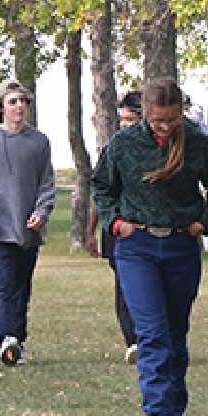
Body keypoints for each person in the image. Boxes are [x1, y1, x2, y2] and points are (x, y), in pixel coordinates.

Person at [90, 78, 208, 416]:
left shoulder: (196, 142)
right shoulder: (124, 144)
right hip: (136, 247)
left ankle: (175, 412)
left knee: (175, 334)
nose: (165, 128)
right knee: (151, 333)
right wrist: (115, 223)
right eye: (158, 121)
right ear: (145, 115)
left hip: (181, 247)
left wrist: (205, 223)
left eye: (171, 120)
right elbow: (101, 186)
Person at [0, 81, 56, 365]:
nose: (19, 107)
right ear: (1, 106)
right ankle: (7, 339)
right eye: (13, 101)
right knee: (4, 285)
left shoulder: (39, 142)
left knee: (22, 287)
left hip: (28, 230)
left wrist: (41, 212)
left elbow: (46, 184)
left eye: (23, 102)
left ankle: (18, 339)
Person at [86, 91, 142, 360]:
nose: (124, 125)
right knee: (124, 283)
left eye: (130, 120)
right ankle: (133, 339)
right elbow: (101, 192)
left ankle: (149, 335)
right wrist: (91, 230)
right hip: (117, 229)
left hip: (145, 227)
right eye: (122, 120)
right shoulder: (113, 150)